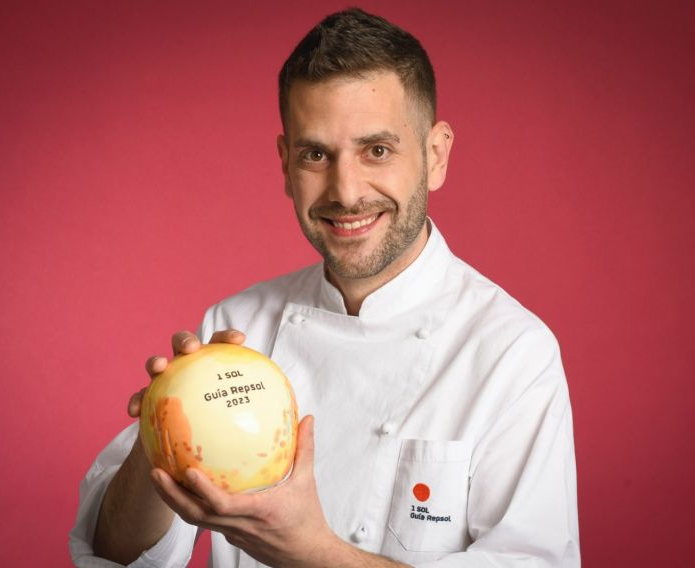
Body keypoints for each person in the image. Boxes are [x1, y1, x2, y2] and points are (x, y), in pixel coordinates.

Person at [70, 7, 580, 567]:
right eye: (316, 155)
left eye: (376, 150)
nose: (346, 191)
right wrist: (157, 440)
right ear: (286, 165)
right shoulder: (235, 330)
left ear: (435, 156)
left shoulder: (512, 352)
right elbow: (114, 558)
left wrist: (309, 552)